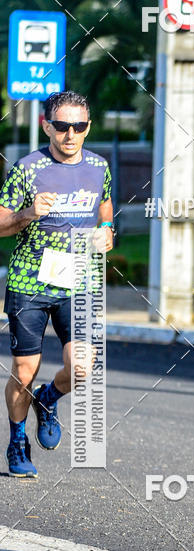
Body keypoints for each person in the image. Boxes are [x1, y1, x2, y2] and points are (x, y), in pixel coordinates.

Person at [0, 90, 114, 478]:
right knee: (24, 368)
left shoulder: (99, 166)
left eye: (78, 126)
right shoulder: (28, 169)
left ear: (88, 127)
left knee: (82, 367)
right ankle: (17, 440)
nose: (70, 134)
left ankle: (48, 399)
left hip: (79, 280)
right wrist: (29, 213)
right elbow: (0, 224)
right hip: (29, 279)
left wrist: (107, 228)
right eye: (62, 126)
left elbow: (105, 203)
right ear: (46, 125)